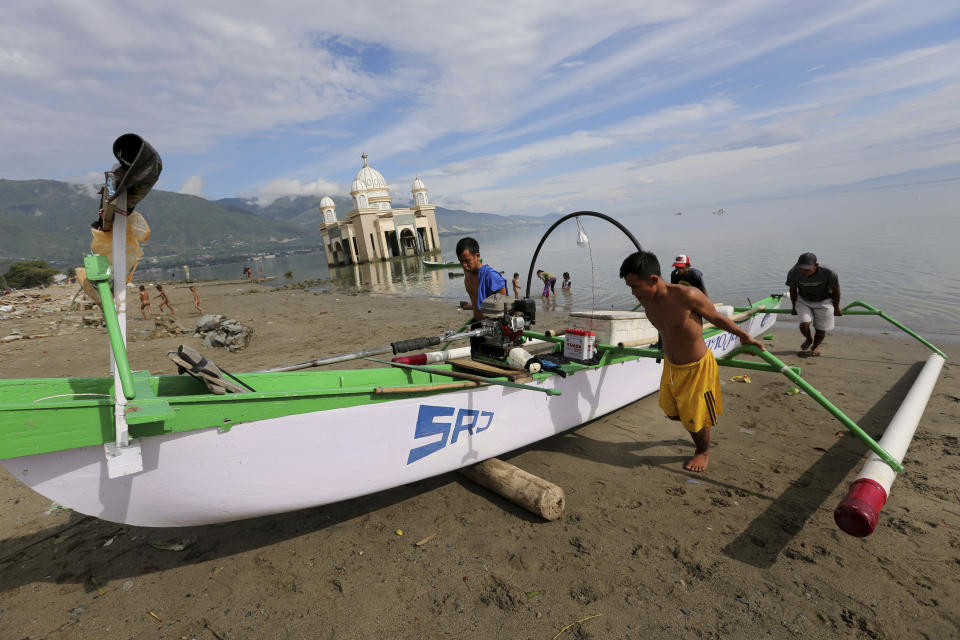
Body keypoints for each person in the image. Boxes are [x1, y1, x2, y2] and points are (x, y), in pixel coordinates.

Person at [620, 250, 764, 472]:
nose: (633, 293)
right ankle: (698, 423)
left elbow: (716, 317)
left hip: (697, 368)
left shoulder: (688, 296)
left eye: (635, 286)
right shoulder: (647, 301)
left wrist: (743, 336)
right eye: (630, 287)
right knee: (672, 412)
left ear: (653, 279)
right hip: (671, 367)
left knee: (695, 418)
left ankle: (702, 451)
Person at [785, 252, 841, 357]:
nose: (803, 272)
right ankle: (808, 339)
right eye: (801, 268)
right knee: (804, 324)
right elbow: (793, 290)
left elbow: (836, 290)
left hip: (825, 300)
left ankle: (815, 346)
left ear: (816, 266)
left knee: (820, 328)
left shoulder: (829, 272)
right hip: (803, 300)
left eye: (807, 269)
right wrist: (794, 306)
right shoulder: (793, 272)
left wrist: (837, 307)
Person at [457, 237, 507, 321]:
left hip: (492, 325)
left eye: (467, 260)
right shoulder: (467, 272)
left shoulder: (490, 276)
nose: (464, 265)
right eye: (461, 261)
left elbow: (504, 306)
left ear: (477, 256)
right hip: (478, 322)